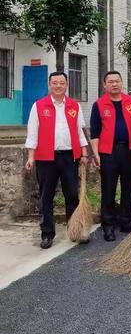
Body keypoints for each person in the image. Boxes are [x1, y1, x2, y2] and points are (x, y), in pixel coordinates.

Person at [25, 71, 89, 249]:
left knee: (71, 195)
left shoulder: (74, 106)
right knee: (46, 197)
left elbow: (80, 131)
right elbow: (32, 134)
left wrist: (84, 154)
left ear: (66, 85)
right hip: (46, 158)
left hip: (69, 157)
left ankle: (75, 229)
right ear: (49, 85)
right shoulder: (38, 106)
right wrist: (31, 157)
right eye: (55, 83)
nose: (58, 86)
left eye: (62, 83)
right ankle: (47, 234)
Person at [90, 71, 131, 242]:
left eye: (117, 81)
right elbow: (95, 132)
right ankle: (108, 226)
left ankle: (126, 222)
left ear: (122, 82)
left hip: (130, 151)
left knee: (129, 188)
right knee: (108, 189)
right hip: (108, 153)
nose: (114, 84)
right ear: (105, 85)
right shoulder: (99, 104)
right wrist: (96, 154)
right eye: (110, 81)